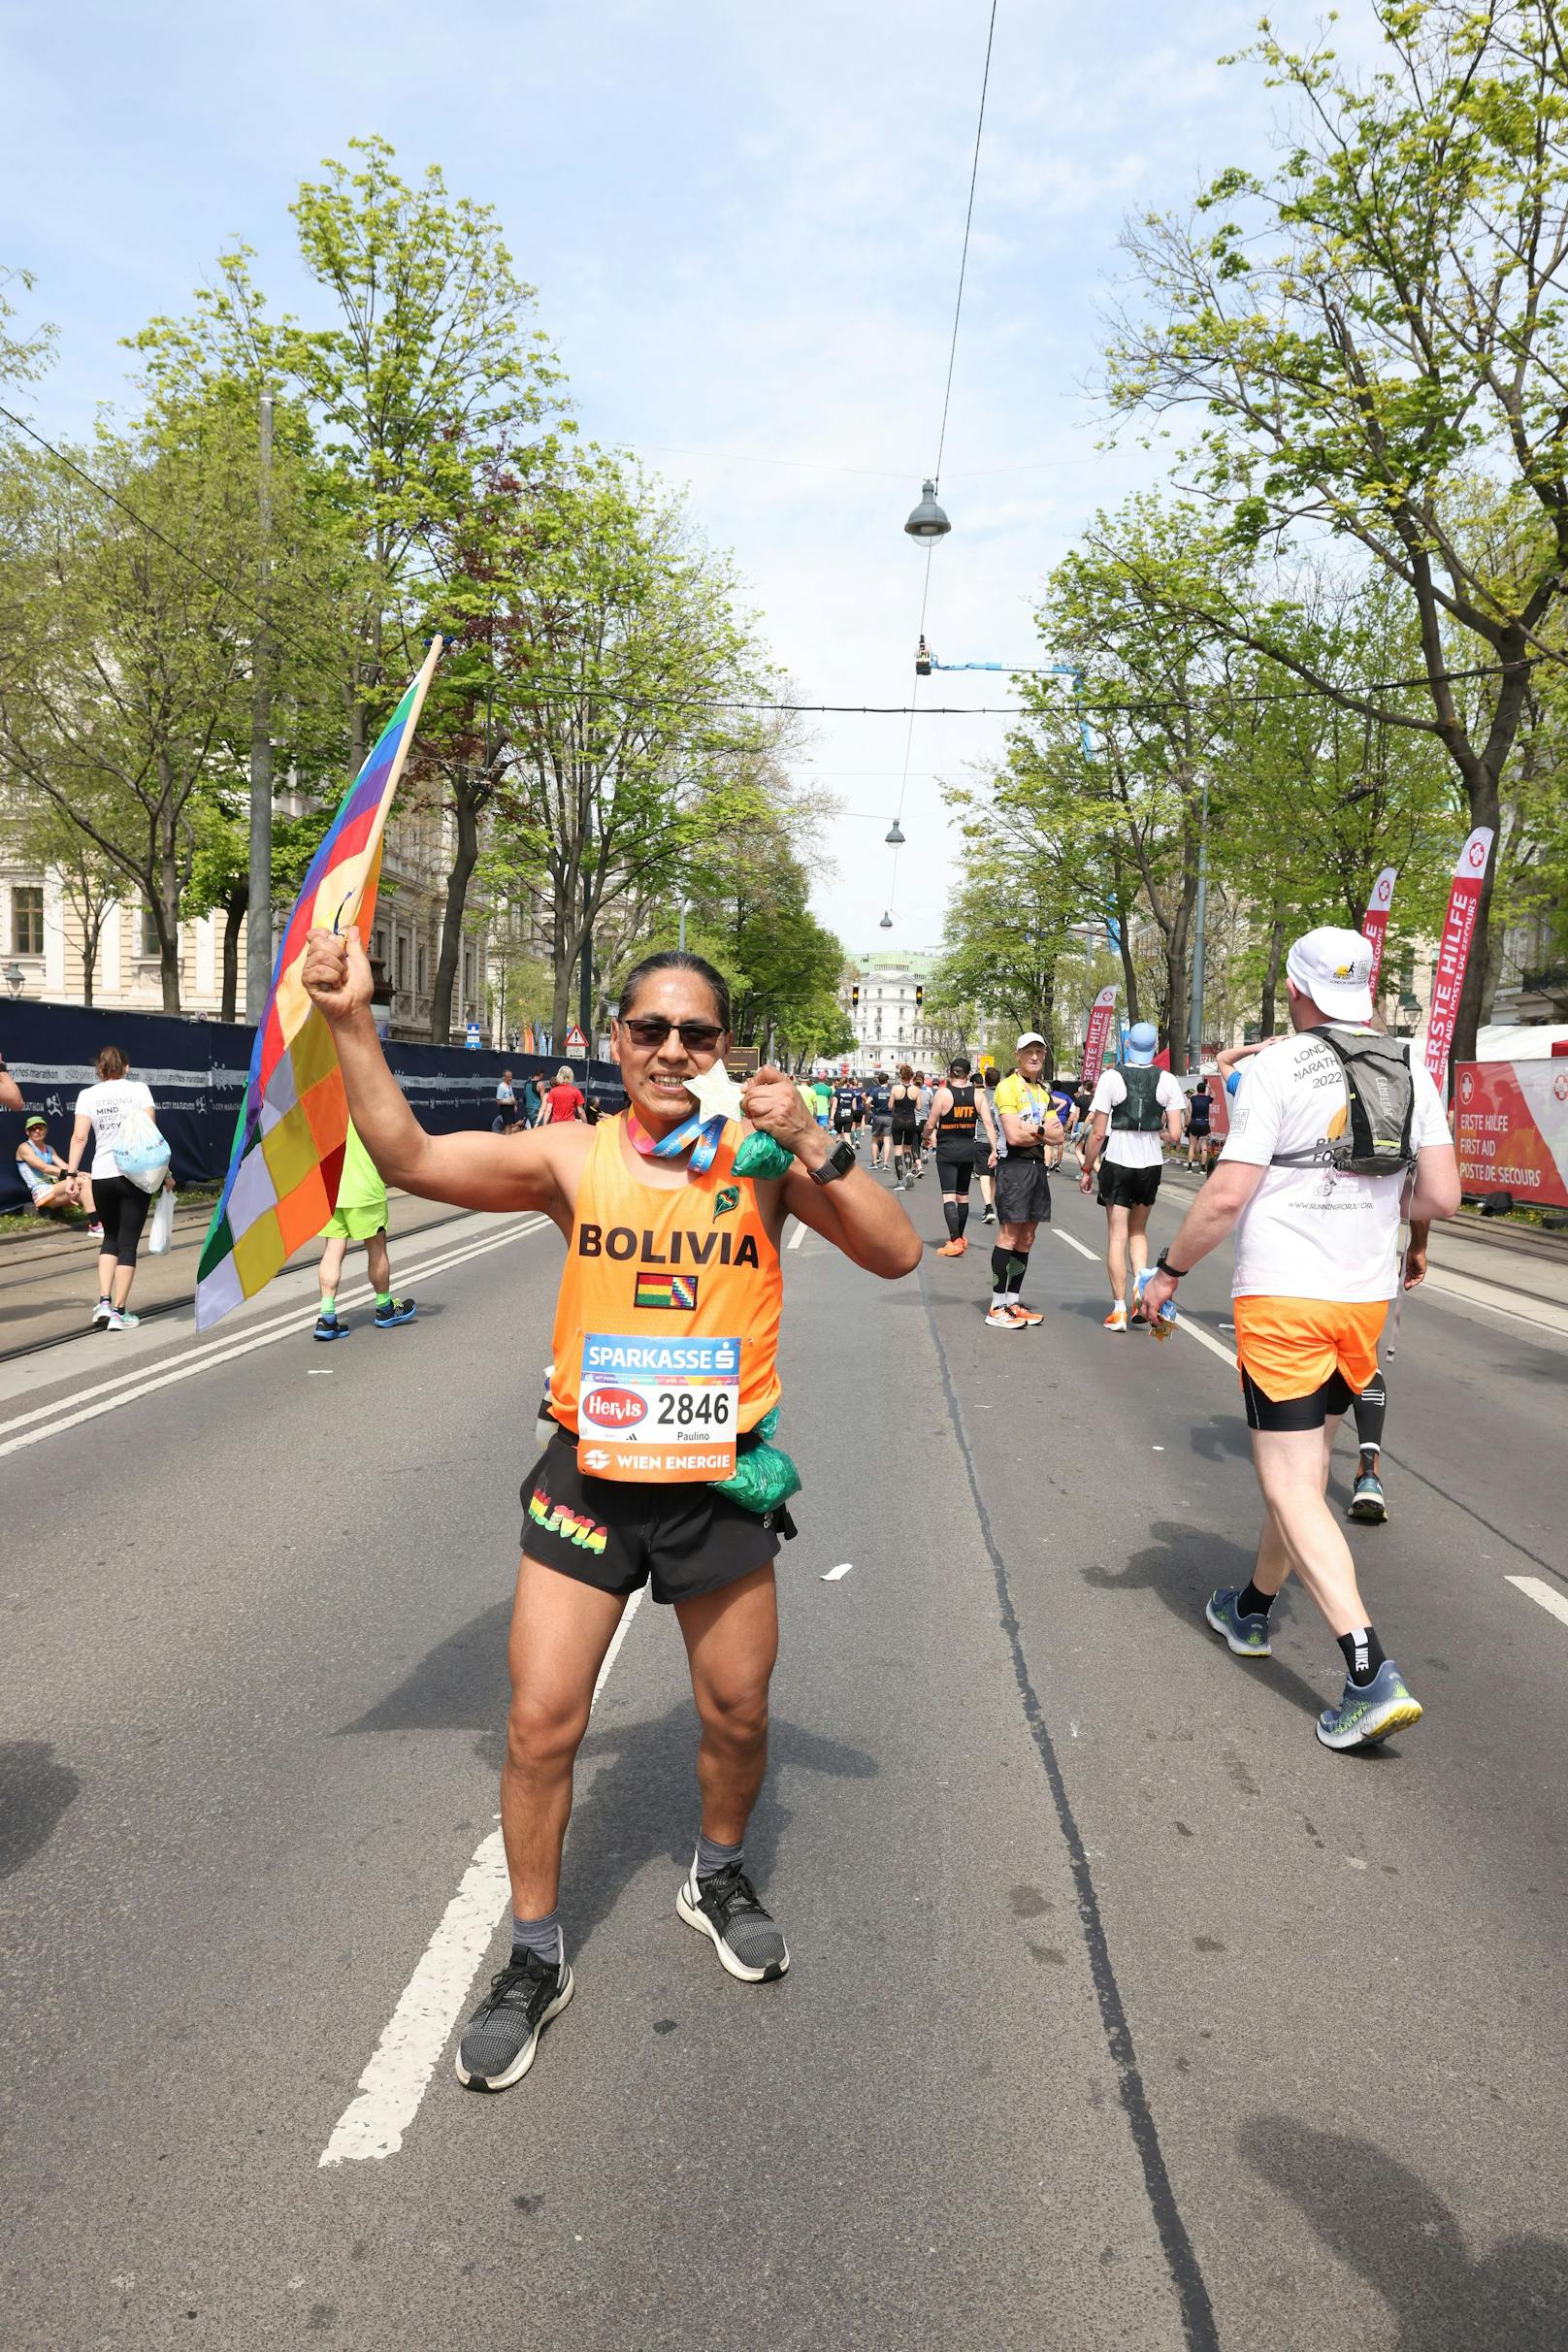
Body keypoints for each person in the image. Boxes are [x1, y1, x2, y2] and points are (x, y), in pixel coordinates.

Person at [300, 930, 921, 2092]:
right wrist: (347, 1018)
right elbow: (409, 1153)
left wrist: (810, 1136)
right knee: (540, 1723)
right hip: (590, 1483)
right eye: (651, 1030)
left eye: (697, 1033)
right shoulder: (572, 1158)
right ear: (614, 1041)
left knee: (735, 1715)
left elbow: (895, 1255)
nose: (673, 1050)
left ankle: (716, 1874)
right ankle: (534, 1954)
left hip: (718, 1484)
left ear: (724, 1047)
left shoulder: (759, 1158)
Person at [1135, 926, 1460, 1753]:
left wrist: (1165, 1273)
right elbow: (1445, 1196)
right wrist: (1385, 1217)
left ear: (1294, 988)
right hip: (1363, 1301)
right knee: (1306, 1471)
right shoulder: (1410, 1063)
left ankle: (1368, 1673)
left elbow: (1222, 1197)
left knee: (1286, 1485)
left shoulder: (1274, 1067)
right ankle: (1250, 1608)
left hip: (1285, 1298)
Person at [1077, 1024, 1186, 1332]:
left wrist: (1086, 1169)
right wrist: (1154, 1131)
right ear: (1154, 1047)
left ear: (1127, 1045)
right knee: (1139, 1231)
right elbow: (1176, 1134)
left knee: (1117, 1236)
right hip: (1150, 1164)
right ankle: (1142, 1295)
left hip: (1118, 1161)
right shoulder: (1167, 1080)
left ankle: (1119, 1310)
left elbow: (1098, 1133)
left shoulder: (1112, 1078)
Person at [62, 1045, 174, 1330]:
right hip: (135, 1175)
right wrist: (166, 1174)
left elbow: (79, 1137)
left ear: (99, 1069)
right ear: (126, 1067)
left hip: (102, 1176)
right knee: (128, 1244)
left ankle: (103, 1301)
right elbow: (151, 1136)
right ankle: (120, 1312)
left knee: (109, 1237)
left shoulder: (87, 1095)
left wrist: (71, 1174)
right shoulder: (139, 1090)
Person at [312, 1120, 416, 1340]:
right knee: (377, 1249)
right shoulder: (364, 1102)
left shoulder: (321, 1102)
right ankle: (384, 1307)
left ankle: (327, 1317)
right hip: (364, 1189)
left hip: (329, 1189)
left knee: (332, 1249)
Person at [987, 1033, 1064, 1330]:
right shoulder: (1008, 1088)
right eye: (1029, 1052)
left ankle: (1012, 1299)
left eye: (1039, 1053)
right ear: (1018, 1055)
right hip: (1014, 1168)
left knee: (1027, 1238)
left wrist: (1036, 1128)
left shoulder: (1042, 1093)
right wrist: (1042, 1130)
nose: (1034, 1057)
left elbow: (1059, 1136)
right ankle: (996, 1305)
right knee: (1008, 1236)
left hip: (1036, 1168)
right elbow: (1014, 1135)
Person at [923, 1056, 1000, 1258]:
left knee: (948, 1196)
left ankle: (955, 1239)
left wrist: (925, 1137)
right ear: (968, 1074)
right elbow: (989, 1124)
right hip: (968, 1150)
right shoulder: (978, 1096)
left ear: (951, 1072)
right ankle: (960, 1236)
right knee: (963, 1196)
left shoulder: (943, 1094)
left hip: (947, 1150)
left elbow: (931, 1123)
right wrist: (994, 1150)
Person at [16, 1112, 101, 1232]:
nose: (37, 1131)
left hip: (54, 1193)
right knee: (82, 1181)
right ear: (27, 1132)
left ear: (45, 1130)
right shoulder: (24, 1148)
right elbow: (45, 1168)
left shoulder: (49, 1149)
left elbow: (66, 1166)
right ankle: (96, 1226)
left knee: (86, 1186)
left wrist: (80, 1172)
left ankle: (101, 1222)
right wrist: (75, 1175)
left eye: (40, 1128)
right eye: (32, 1129)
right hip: (40, 1193)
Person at [973, 1066, 999, 1223]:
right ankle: (991, 1207)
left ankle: (988, 1205)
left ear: (985, 1080)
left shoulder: (979, 1095)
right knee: (993, 1176)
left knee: (984, 1174)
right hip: (1000, 1140)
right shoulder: (1002, 1096)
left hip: (982, 1138)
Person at [889, 1064, 921, 1188]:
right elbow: (918, 1107)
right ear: (911, 1076)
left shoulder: (895, 1088)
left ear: (900, 1075)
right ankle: (908, 1171)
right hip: (910, 1121)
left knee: (897, 1150)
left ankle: (900, 1181)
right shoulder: (916, 1090)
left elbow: (890, 1106)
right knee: (907, 1148)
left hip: (898, 1120)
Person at [1186, 1075, 1215, 1171]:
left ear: (1197, 1090)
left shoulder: (1193, 1099)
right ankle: (1202, 1168)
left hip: (1194, 1123)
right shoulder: (1207, 1099)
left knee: (1192, 1145)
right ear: (1205, 1090)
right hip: (1204, 1123)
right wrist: (1209, 1087)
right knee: (1204, 1146)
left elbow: (1194, 1096)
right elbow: (1213, 1096)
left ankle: (1189, 1167)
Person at [867, 1071, 894, 1169]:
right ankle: (885, 1164)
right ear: (887, 1080)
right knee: (887, 1140)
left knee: (874, 1140)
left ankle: (874, 1163)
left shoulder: (875, 1090)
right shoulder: (891, 1090)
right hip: (889, 1117)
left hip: (877, 1116)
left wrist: (870, 1109)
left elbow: (867, 1101)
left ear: (879, 1081)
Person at [495, 1069, 520, 1133]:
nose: (510, 1078)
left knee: (510, 1125)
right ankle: (507, 1140)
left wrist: (514, 1105)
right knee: (507, 1125)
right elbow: (498, 1101)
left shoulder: (509, 1085)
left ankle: (508, 1139)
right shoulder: (501, 1086)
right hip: (505, 1109)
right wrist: (510, 1102)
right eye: (509, 1077)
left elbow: (511, 1096)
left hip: (511, 1108)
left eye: (511, 1076)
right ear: (504, 1077)